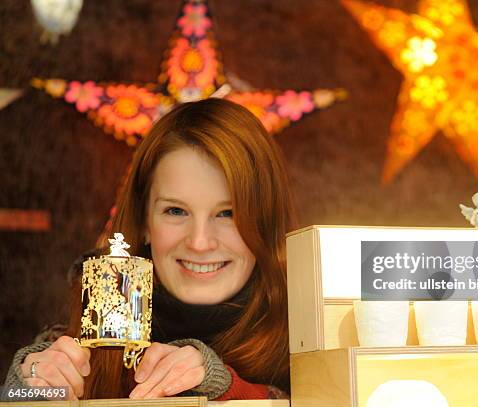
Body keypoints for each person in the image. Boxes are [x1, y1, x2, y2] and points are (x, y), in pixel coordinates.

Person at [3, 98, 297, 400]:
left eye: (228, 213)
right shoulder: (85, 327)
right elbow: (16, 393)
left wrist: (224, 387)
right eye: (175, 211)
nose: (199, 242)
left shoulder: (311, 333)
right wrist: (21, 391)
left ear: (266, 219)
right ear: (144, 219)